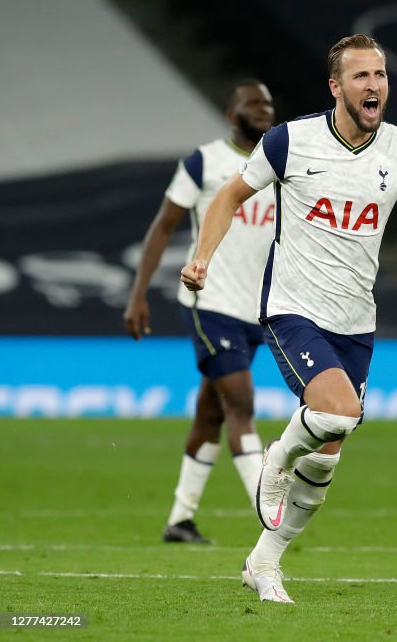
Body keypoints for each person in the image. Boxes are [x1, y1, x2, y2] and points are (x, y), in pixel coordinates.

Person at [180, 34, 397, 603]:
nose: (374, 85)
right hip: (292, 310)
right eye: (361, 76)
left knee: (329, 455)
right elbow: (229, 197)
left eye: (380, 75)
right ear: (336, 87)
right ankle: (274, 460)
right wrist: (202, 256)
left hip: (356, 320)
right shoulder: (290, 142)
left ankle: (264, 563)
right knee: (338, 412)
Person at [123, 80, 276, 544]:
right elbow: (164, 225)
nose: (264, 109)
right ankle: (269, 515)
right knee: (242, 404)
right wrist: (139, 292)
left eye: (268, 103)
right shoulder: (204, 162)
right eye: (253, 103)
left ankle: (180, 520)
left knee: (211, 412)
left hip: (257, 310)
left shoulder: (280, 162)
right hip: (209, 303)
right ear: (232, 115)